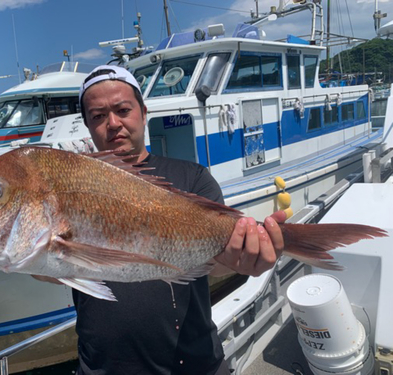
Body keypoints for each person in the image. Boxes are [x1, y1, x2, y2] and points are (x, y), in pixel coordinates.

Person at [65, 65, 286, 375]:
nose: (113, 123)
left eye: (122, 110)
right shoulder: (74, 187)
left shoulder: (192, 178)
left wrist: (245, 259)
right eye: (98, 116)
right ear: (88, 126)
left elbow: (217, 262)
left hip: (194, 367)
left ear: (143, 113)